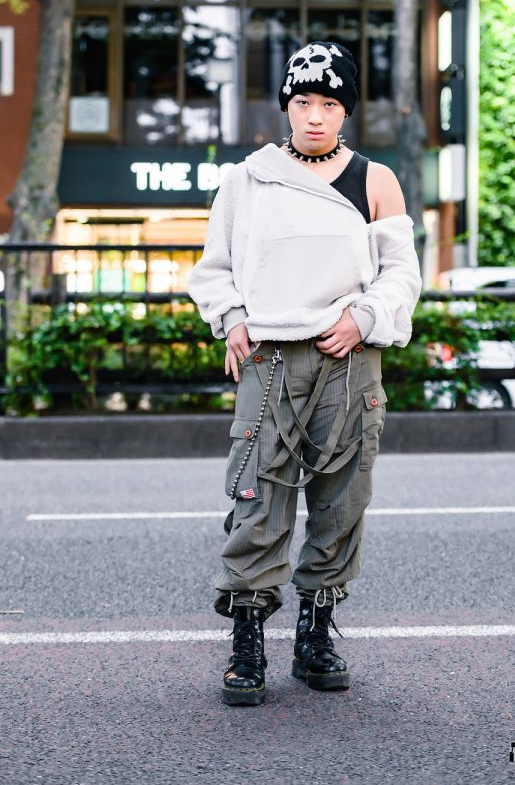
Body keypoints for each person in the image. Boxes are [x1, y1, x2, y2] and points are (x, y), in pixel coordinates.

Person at [188, 40, 422, 706]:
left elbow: (402, 273)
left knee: (341, 498)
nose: (315, 115)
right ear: (285, 106)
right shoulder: (248, 179)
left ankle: (316, 632)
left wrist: (367, 317)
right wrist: (230, 315)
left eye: (329, 102)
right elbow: (216, 266)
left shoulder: (375, 179)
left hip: (350, 354)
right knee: (258, 494)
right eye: (302, 102)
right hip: (269, 356)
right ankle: (248, 639)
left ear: (346, 109)